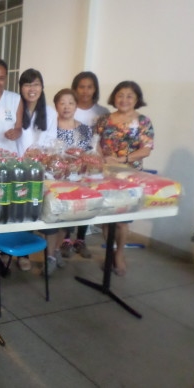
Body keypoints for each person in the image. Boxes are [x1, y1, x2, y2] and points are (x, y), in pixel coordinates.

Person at [95, 80, 155, 276]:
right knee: (106, 218)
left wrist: (121, 159)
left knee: (122, 220)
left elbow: (146, 150)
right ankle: (110, 252)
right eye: (120, 95)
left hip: (130, 176)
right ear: (114, 97)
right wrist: (103, 159)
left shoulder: (143, 121)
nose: (124, 99)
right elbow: (96, 143)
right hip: (105, 174)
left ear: (137, 99)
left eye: (129, 96)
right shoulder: (104, 119)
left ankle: (120, 253)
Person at [60, 72, 109, 258]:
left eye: (90, 87)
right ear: (75, 88)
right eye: (81, 87)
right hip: (67, 163)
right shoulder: (68, 108)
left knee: (86, 199)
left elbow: (101, 140)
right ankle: (65, 239)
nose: (85, 91)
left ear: (95, 89)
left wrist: (99, 160)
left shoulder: (102, 112)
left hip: (89, 163)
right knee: (68, 200)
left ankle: (80, 239)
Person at [45, 89, 95, 272]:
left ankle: (57, 250)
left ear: (76, 106)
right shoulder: (51, 126)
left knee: (66, 220)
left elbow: (89, 154)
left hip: (75, 182)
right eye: (62, 103)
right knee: (53, 219)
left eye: (71, 103)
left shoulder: (84, 129)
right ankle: (50, 255)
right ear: (56, 105)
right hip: (53, 181)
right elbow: (44, 152)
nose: (66, 107)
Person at [14, 69, 57, 271]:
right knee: (21, 213)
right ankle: (22, 254)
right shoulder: (14, 108)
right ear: (21, 88)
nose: (32, 89)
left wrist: (37, 156)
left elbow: (51, 143)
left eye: (36, 84)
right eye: (27, 84)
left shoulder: (50, 113)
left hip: (42, 171)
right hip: (17, 170)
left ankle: (49, 256)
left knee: (40, 213)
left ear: (42, 87)